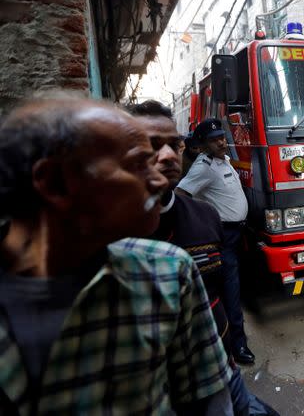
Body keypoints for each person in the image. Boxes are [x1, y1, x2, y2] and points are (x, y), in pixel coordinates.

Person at [0, 95, 232, 415]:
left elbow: (211, 402)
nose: (157, 179)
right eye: (139, 162)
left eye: (172, 146)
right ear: (54, 183)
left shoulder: (166, 273)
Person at [129, 101, 279, 416]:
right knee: (231, 289)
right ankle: (239, 345)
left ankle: (234, 345)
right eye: (152, 145)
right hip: (168, 389)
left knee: (228, 292)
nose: (168, 155)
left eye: (173, 144)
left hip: (220, 370)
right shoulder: (117, 236)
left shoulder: (207, 204)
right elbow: (183, 190)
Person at [177, 118, 254, 365]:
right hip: (222, 235)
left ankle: (230, 340)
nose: (221, 141)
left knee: (234, 289)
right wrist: (200, 223)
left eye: (222, 137)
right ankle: (237, 346)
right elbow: (181, 195)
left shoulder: (224, 160)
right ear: (202, 145)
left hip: (236, 233)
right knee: (230, 293)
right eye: (214, 139)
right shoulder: (204, 167)